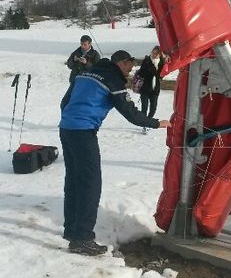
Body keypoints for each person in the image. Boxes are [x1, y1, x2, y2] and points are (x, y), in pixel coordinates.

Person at [59, 50, 172, 256]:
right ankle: (82, 238)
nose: (132, 68)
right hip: (83, 132)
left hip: (66, 128)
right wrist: (157, 123)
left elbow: (64, 102)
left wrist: (71, 118)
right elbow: (131, 113)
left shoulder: (85, 73)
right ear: (120, 63)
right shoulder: (112, 81)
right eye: (130, 64)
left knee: (74, 180)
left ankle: (72, 230)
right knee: (90, 185)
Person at [136, 46, 165, 133]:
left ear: (160, 54)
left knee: (153, 108)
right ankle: (144, 125)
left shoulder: (162, 63)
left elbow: (161, 76)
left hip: (155, 89)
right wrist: (149, 70)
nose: (154, 54)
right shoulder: (147, 60)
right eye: (153, 52)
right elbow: (141, 73)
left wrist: (158, 72)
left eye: (156, 53)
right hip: (145, 88)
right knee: (144, 108)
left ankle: (148, 122)